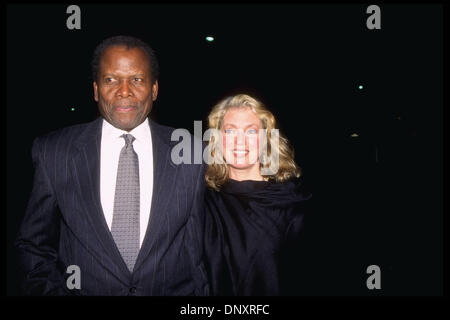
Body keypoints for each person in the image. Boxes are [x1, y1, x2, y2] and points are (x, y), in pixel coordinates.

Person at [15, 35, 209, 296]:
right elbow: (32, 246)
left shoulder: (193, 153)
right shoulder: (54, 151)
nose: (124, 90)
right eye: (111, 79)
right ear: (96, 90)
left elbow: (201, 251)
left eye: (137, 80)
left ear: (154, 89)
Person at [203, 94, 312, 295]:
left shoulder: (293, 205)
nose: (240, 141)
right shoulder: (201, 200)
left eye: (251, 131)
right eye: (229, 131)